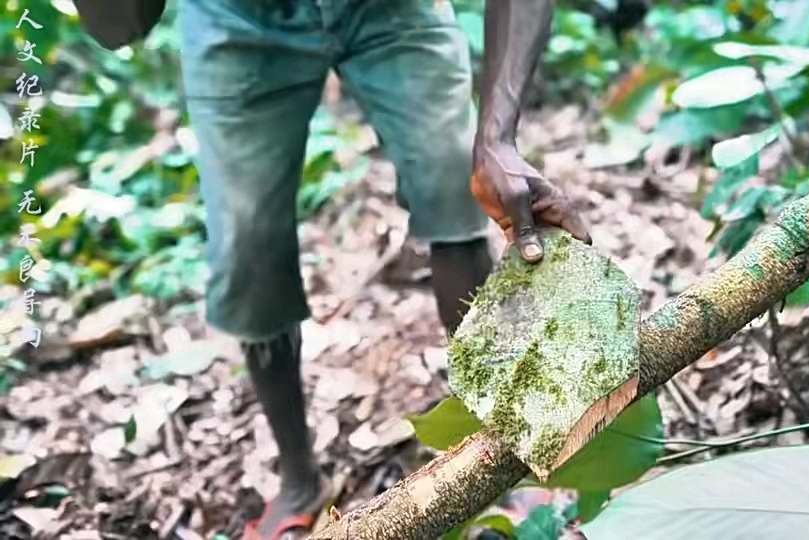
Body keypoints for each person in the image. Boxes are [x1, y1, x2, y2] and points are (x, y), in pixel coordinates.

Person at [76, 0, 591, 538]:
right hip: (239, 19)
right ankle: (300, 480)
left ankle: (504, 447)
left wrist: (497, 138)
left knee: (453, 183)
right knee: (247, 242)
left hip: (392, 11)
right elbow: (117, 29)